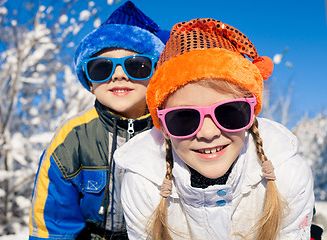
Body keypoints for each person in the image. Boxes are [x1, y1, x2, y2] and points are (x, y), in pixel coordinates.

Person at [114, 18, 315, 239]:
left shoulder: (287, 173)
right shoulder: (144, 183)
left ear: (251, 111)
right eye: (184, 118)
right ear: (162, 125)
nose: (208, 133)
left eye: (228, 113)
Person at [28, 1, 168, 239]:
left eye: (137, 66)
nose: (119, 75)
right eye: (102, 68)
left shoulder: (176, 127)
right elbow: (55, 223)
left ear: (156, 74)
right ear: (90, 83)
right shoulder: (73, 138)